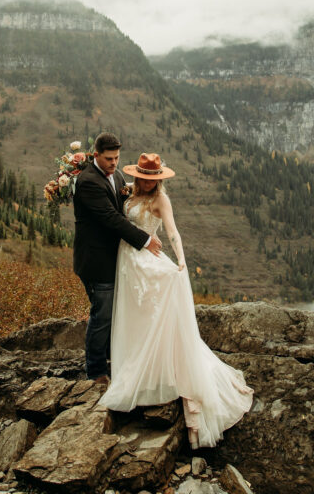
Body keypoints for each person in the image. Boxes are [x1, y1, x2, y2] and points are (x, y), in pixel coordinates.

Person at [99, 152, 253, 448]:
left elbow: (172, 232)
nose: (145, 182)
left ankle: (152, 374)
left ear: (157, 179)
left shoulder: (161, 200)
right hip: (127, 262)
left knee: (150, 318)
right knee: (132, 318)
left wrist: (181, 262)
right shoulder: (129, 192)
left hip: (147, 262)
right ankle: (133, 368)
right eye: (142, 177)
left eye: (150, 178)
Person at [73, 132, 162, 381]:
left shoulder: (118, 175)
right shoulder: (88, 181)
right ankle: (96, 371)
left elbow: (125, 202)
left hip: (116, 259)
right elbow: (111, 219)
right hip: (96, 261)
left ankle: (115, 359)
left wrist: (149, 190)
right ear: (96, 156)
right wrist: (145, 239)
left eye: (117, 158)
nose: (114, 163)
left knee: (114, 313)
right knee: (102, 315)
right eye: (109, 159)